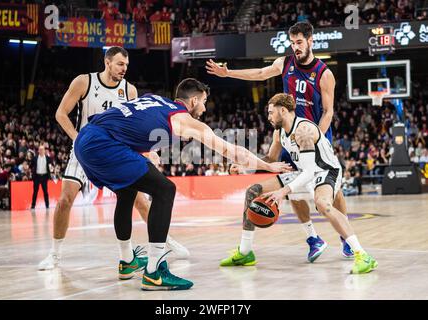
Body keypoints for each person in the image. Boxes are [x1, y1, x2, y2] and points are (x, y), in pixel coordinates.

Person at [74, 78, 291, 290]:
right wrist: (267, 166)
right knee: (165, 189)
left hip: (85, 138)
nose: (205, 108)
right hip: (103, 145)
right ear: (194, 100)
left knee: (127, 191)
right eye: (204, 102)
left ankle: (127, 260)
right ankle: (154, 271)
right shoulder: (183, 120)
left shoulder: (154, 99)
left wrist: (146, 150)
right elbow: (230, 150)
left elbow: (129, 123)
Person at [206, 21, 353, 262]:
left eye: (299, 42)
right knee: (291, 186)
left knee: (332, 190)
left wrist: (317, 139)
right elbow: (260, 74)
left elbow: (328, 111)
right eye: (292, 43)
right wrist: (228, 72)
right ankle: (313, 238)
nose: (295, 47)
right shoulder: (285, 63)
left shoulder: (324, 73)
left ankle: (347, 239)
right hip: (288, 135)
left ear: (310, 41)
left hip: (315, 138)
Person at [38, 46, 189, 271]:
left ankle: (164, 241)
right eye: (120, 64)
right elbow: (61, 113)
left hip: (117, 152)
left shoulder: (130, 90)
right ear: (107, 62)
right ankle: (55, 254)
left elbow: (136, 127)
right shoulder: (84, 82)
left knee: (139, 200)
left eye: (126, 65)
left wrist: (149, 151)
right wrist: (78, 139)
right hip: (86, 148)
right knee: (65, 200)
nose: (124, 69)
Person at [222, 93, 377, 274]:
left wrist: (283, 192)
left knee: (322, 204)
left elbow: (311, 172)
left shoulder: (303, 131)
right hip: (304, 172)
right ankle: (245, 252)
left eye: (271, 113)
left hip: (325, 170)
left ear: (283, 110)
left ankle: (362, 254)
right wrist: (245, 167)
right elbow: (270, 159)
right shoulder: (279, 133)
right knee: (253, 191)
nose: (269, 117)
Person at [30, 145, 51, 209]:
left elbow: (50, 167)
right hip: (37, 177)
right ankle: (33, 205)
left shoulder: (48, 158)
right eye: (40, 150)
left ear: (44, 150)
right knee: (35, 192)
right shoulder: (35, 158)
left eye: (42, 149)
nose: (41, 151)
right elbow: (31, 165)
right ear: (38, 151)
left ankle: (47, 205)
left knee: (45, 192)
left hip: (44, 177)